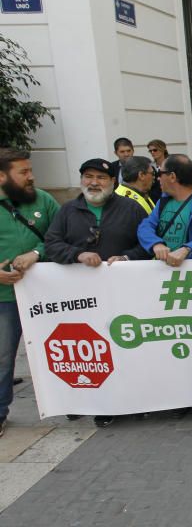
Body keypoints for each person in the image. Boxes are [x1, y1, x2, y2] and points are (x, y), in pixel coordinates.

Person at [44, 158, 149, 428]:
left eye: (101, 178)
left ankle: (118, 402)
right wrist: (77, 254)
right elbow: (52, 244)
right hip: (79, 298)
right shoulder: (68, 210)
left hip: (121, 295)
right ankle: (88, 401)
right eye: (88, 176)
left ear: (113, 182)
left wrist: (127, 257)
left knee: (120, 347)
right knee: (88, 351)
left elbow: (147, 243)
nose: (94, 182)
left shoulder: (131, 209)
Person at [0, 149, 60, 439]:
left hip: (44, 296)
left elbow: (63, 236)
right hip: (5, 299)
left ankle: (72, 401)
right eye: (23, 172)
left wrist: (37, 252)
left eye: (30, 170)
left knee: (63, 347)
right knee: (3, 357)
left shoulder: (44, 200)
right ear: (2, 176)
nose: (31, 176)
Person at [137, 154, 192, 267]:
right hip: (161, 273)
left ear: (172, 177)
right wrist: (156, 244)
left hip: (189, 276)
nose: (158, 178)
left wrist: (188, 249)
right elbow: (145, 227)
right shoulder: (163, 201)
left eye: (160, 173)